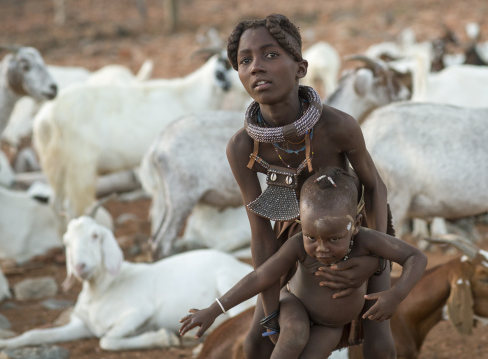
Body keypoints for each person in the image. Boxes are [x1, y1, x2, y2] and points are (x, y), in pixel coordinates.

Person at [223, 13, 397, 359]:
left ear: (300, 67)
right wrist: (270, 308)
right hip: (293, 240)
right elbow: (261, 233)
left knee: (379, 341)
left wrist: (375, 262)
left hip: (353, 234)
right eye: (245, 60)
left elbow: (376, 189)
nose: (257, 66)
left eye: (271, 55)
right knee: (257, 342)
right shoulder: (243, 147)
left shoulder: (338, 127)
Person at [179, 168, 428, 359]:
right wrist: (214, 310)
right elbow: (260, 277)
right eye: (312, 237)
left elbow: (417, 257)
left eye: (333, 239)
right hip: (294, 304)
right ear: (300, 223)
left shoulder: (369, 242)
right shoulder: (298, 245)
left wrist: (396, 295)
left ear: (357, 225)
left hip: (331, 327)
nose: (321, 248)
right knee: (294, 336)